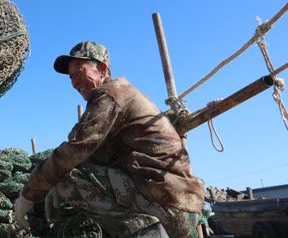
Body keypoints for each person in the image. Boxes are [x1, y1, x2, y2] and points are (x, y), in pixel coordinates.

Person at [14, 42, 205, 238]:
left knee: (67, 179)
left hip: (168, 203)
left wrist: (29, 194)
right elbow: (89, 156)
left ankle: (147, 233)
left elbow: (73, 152)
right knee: (67, 176)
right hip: (177, 204)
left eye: (79, 73)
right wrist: (52, 186)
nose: (74, 82)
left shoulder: (111, 95)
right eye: (71, 77)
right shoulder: (115, 99)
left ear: (102, 69)